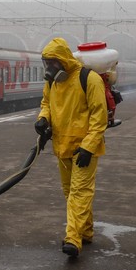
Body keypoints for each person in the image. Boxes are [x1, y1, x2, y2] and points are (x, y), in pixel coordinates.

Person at [35, 37, 107, 257]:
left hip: (84, 148)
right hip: (61, 145)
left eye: (52, 62)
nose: (49, 67)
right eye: (46, 62)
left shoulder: (89, 79)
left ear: (64, 60)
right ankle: (86, 231)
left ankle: (72, 239)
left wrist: (89, 146)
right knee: (70, 193)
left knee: (79, 192)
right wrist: (43, 119)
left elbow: (99, 116)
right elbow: (46, 103)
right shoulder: (52, 82)